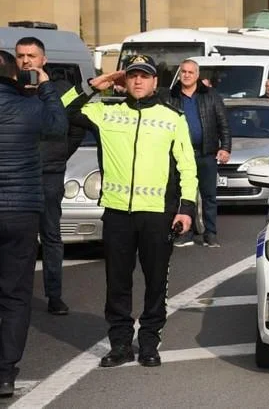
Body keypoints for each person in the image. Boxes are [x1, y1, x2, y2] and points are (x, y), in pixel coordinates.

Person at [61, 55, 197, 368]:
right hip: (117, 213)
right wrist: (101, 82)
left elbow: (187, 166)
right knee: (117, 282)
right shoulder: (106, 112)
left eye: (144, 76)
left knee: (154, 280)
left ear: (154, 82)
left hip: (157, 213)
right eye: (132, 76)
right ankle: (120, 344)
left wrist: (186, 207)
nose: (137, 81)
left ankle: (149, 342)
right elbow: (67, 108)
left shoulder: (172, 117)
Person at [0, 50, 67, 397]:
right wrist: (45, 87)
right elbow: (59, 126)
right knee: (14, 295)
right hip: (21, 211)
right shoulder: (30, 108)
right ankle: (6, 372)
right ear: (15, 77)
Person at [15, 37, 85, 315]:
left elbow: (77, 125)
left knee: (51, 235)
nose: (26, 60)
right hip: (18, 175)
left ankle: (54, 295)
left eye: (32, 55)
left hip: (49, 174)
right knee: (19, 237)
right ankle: (18, 296)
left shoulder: (59, 90)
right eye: (20, 55)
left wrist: (60, 154)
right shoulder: (10, 90)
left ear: (43, 60)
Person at [164, 59, 231, 247]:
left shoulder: (210, 96)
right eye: (183, 71)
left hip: (206, 153)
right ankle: (186, 233)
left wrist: (225, 147)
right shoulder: (171, 96)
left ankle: (210, 233)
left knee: (208, 195)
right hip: (180, 155)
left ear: (197, 75)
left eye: (190, 72)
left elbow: (223, 123)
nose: (186, 75)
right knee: (184, 195)